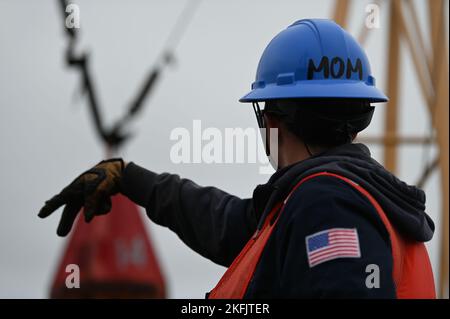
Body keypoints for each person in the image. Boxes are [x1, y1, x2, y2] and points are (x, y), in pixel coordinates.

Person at [38, 19, 436, 298]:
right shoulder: (336, 201)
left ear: (274, 118)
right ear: (358, 117)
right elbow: (227, 223)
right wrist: (130, 178)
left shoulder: (327, 204)